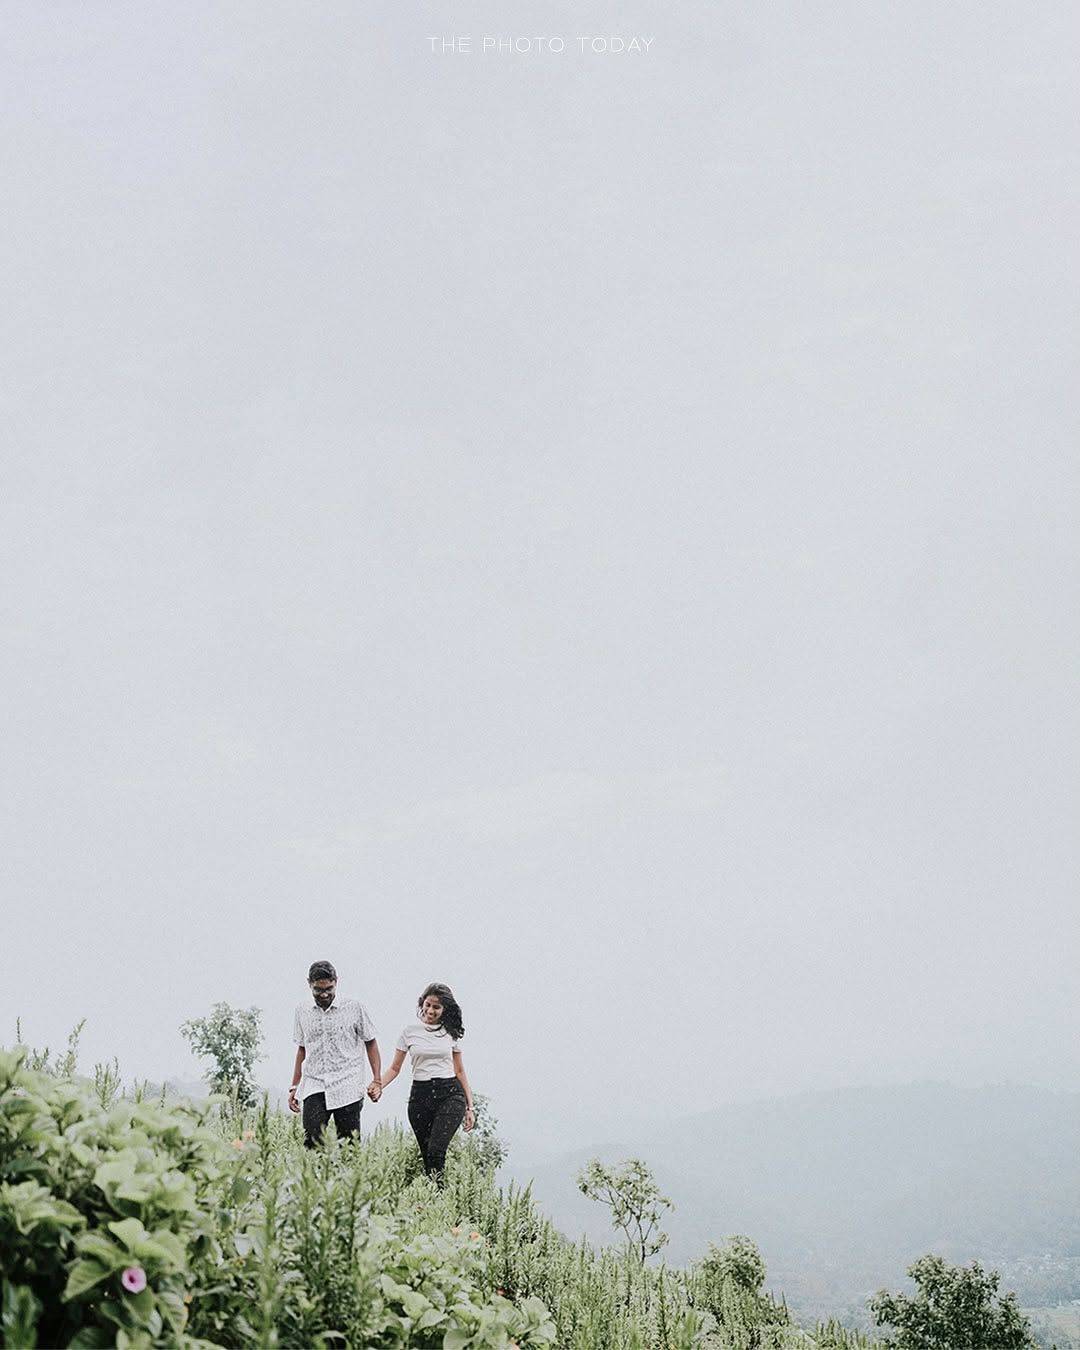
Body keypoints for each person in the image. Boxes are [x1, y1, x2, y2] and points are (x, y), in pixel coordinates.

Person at [370, 981, 474, 1182]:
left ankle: (440, 1200)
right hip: (421, 1095)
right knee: (428, 1155)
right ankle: (431, 1203)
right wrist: (378, 1084)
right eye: (427, 1005)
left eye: (436, 1007)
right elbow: (394, 1068)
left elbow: (460, 1071)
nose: (430, 1010)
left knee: (436, 1151)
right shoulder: (409, 1032)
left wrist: (470, 1107)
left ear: (444, 1009)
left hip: (450, 1094)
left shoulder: (450, 1034)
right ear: (422, 1004)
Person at [289, 960, 381, 1148]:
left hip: (348, 1084)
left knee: (348, 1148)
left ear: (336, 982)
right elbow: (302, 1048)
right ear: (309, 984)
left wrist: (377, 1079)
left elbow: (370, 1042)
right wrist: (294, 1086)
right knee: (312, 1144)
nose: (324, 994)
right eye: (318, 990)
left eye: (329, 989)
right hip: (314, 1084)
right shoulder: (302, 1011)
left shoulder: (354, 1007)